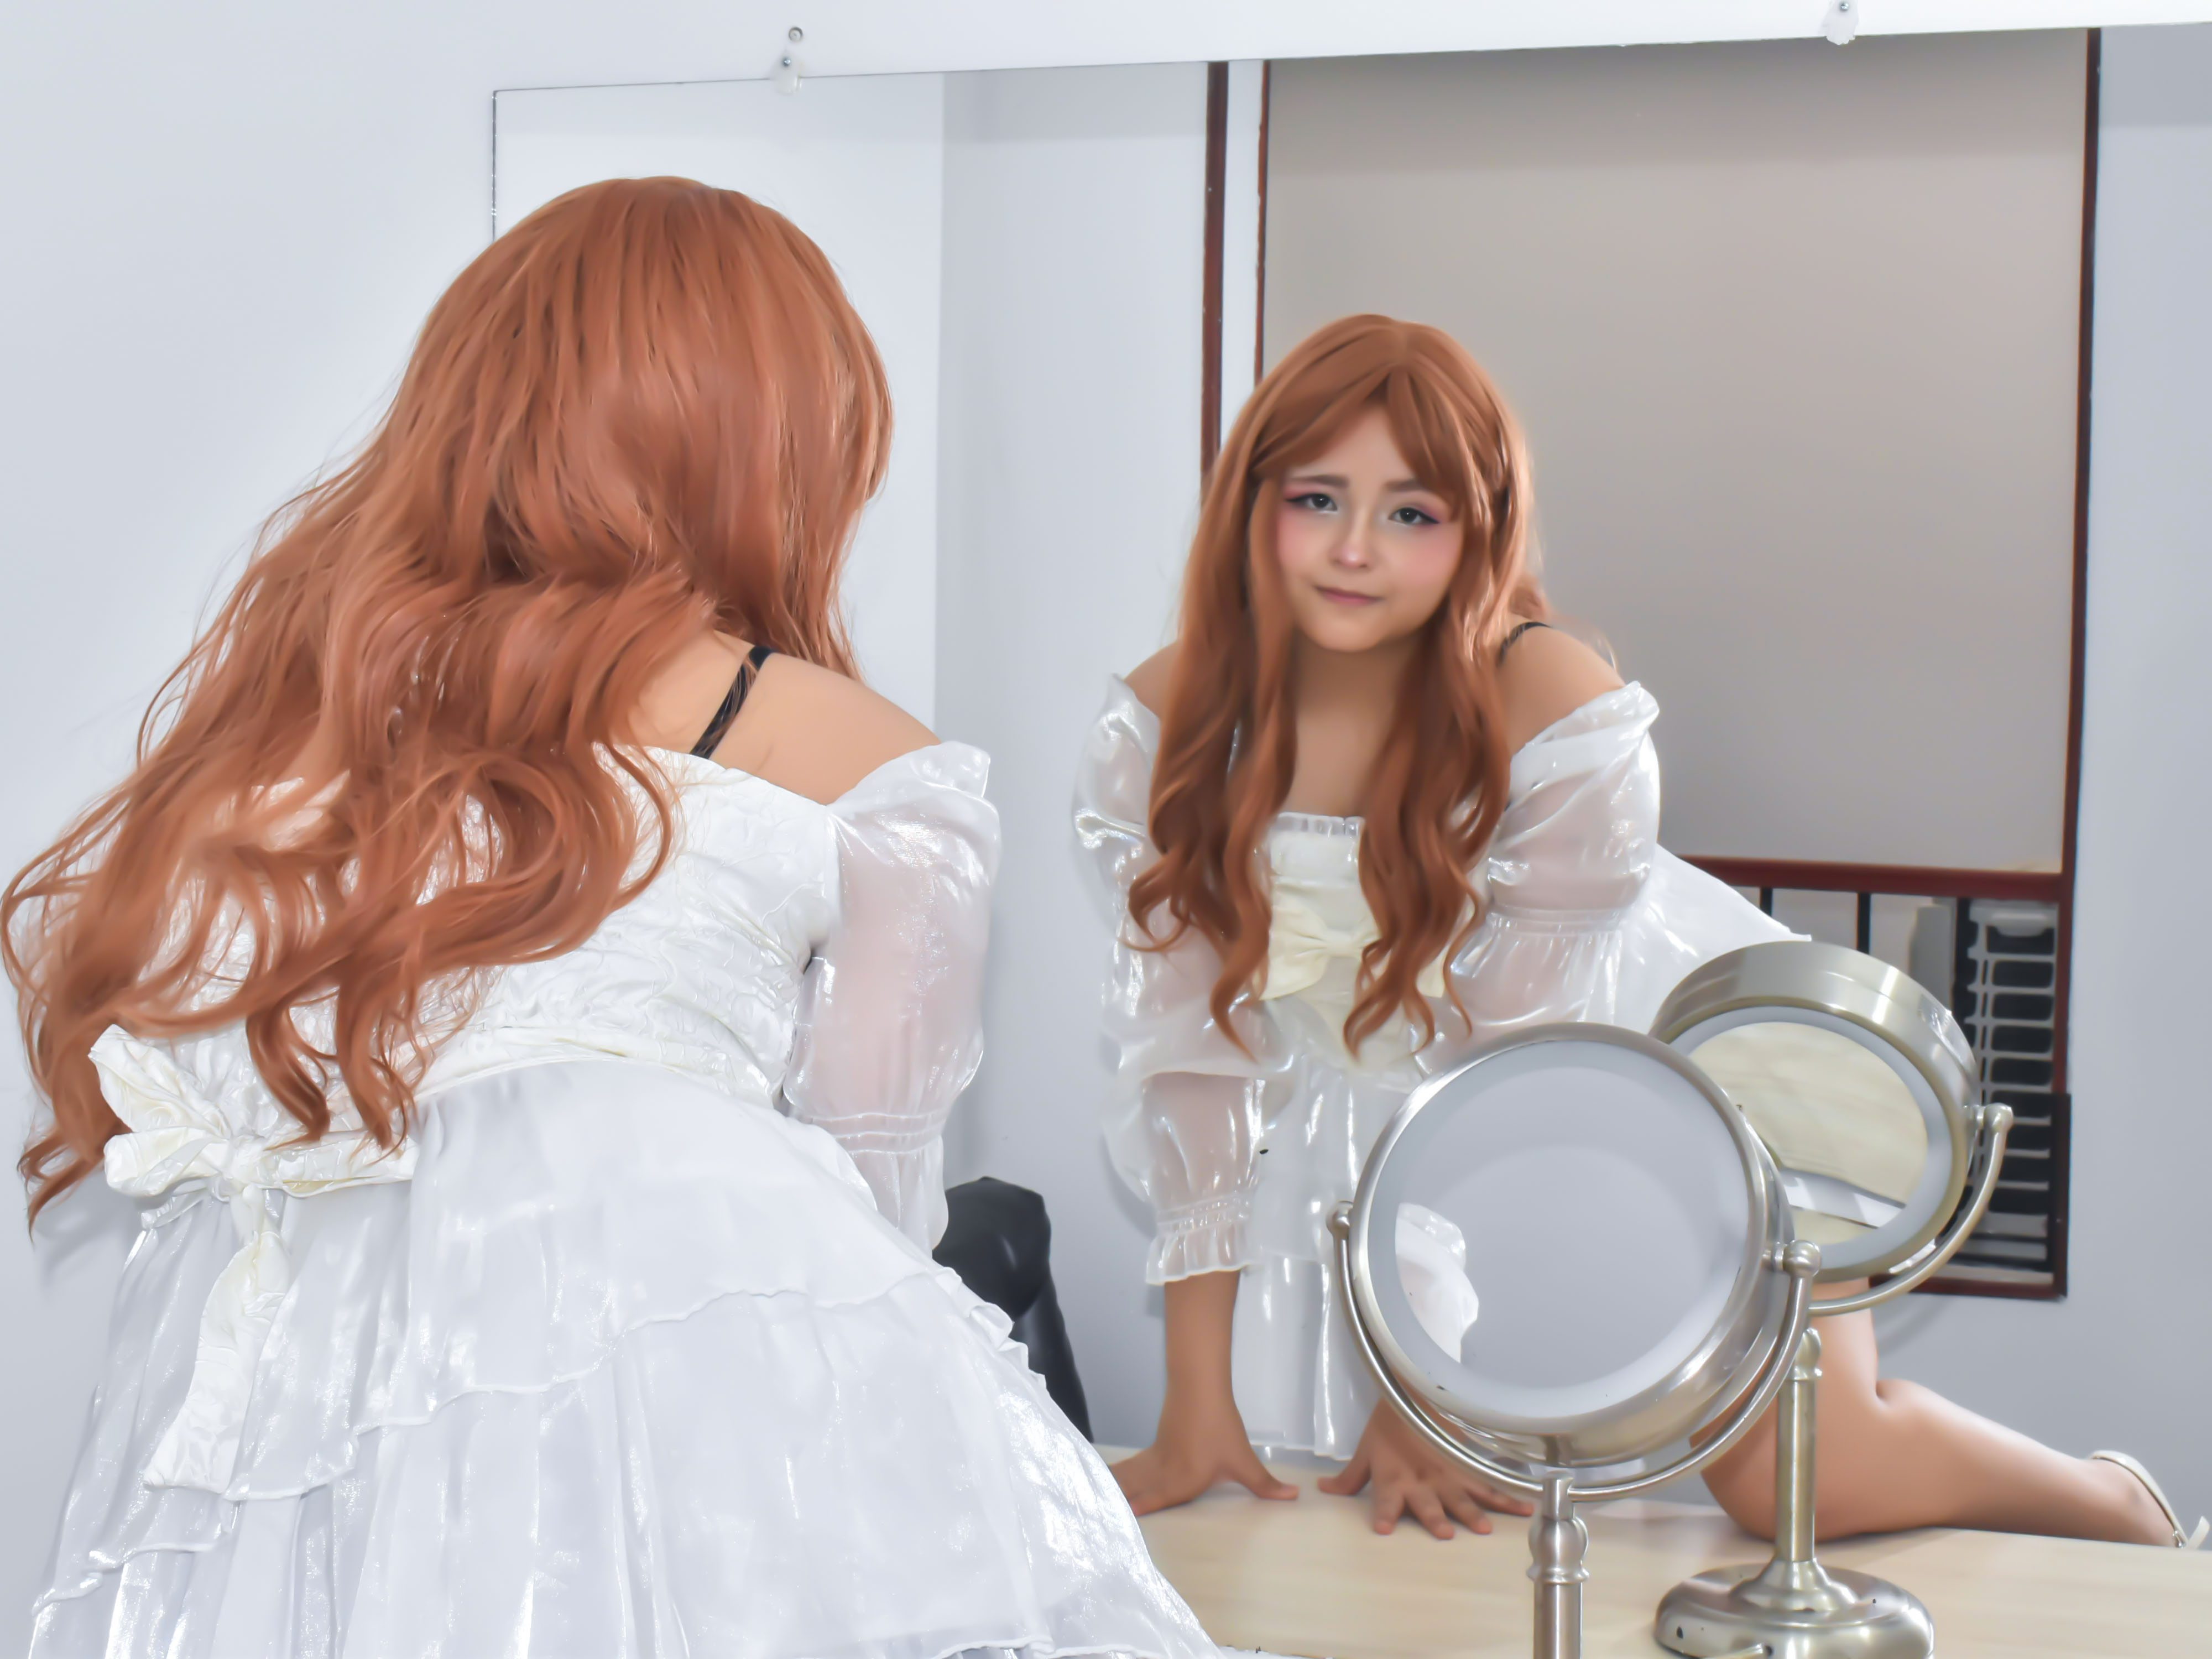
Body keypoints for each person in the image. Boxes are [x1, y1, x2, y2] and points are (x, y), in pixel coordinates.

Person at [9, 177, 1219, 1657]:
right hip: (690, 1400)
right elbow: (878, 1202)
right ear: (774, 444)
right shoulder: (859, 760)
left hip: (284, 1418)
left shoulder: (291, 739)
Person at [1073, 313, 2194, 1551]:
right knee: (1365, 1518)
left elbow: (1508, 1072)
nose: (1354, 548)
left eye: (1410, 513)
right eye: (1317, 498)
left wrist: (1417, 1398)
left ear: (1477, 531)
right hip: (1396, 1127)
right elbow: (1192, 1062)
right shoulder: (1165, 721)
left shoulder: (1553, 706)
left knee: (1799, 1480)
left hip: (1663, 1088)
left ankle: (2116, 1506)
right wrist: (1195, 1404)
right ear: (1251, 502)